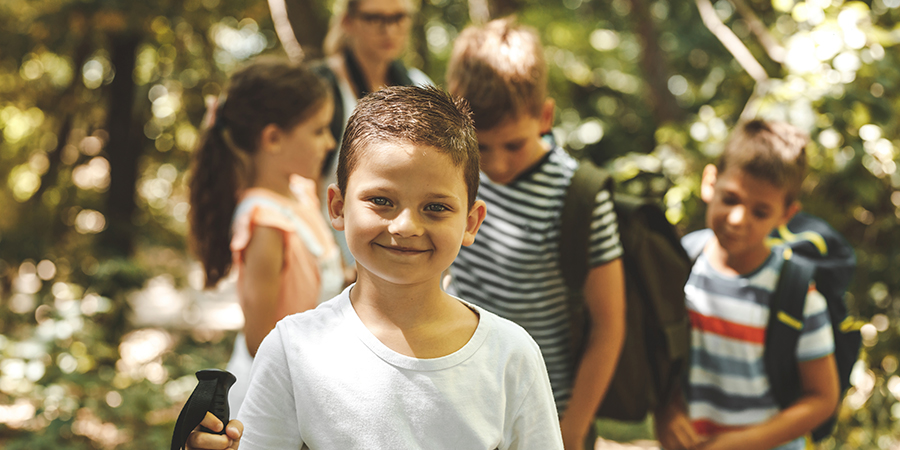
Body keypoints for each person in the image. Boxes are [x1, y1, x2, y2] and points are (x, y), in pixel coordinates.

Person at [186, 85, 564, 450]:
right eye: (381, 200)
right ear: (337, 207)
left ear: (470, 222)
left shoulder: (512, 356)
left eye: (435, 207)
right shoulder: (292, 349)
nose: (405, 226)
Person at [445, 18, 627, 450]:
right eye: (481, 146)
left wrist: (573, 430)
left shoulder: (577, 195)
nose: (497, 164)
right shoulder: (455, 175)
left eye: (513, 145)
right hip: (460, 404)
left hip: (545, 414)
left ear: (544, 116)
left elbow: (608, 325)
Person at [654, 120, 839, 450]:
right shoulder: (679, 265)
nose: (738, 219)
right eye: (731, 198)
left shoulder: (797, 295)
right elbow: (658, 358)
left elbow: (822, 397)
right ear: (710, 181)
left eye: (760, 211)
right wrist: (667, 412)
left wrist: (741, 442)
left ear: (786, 214)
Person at [188, 58, 345, 415]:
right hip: (275, 399)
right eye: (318, 130)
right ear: (273, 138)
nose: (330, 141)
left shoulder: (302, 193)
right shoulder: (264, 222)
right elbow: (261, 340)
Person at [315, 0, 432, 266]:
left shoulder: (420, 86)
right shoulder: (321, 87)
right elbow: (302, 184)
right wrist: (333, 261)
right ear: (348, 21)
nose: (388, 30)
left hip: (401, 258)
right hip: (334, 266)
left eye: (398, 18)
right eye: (374, 19)